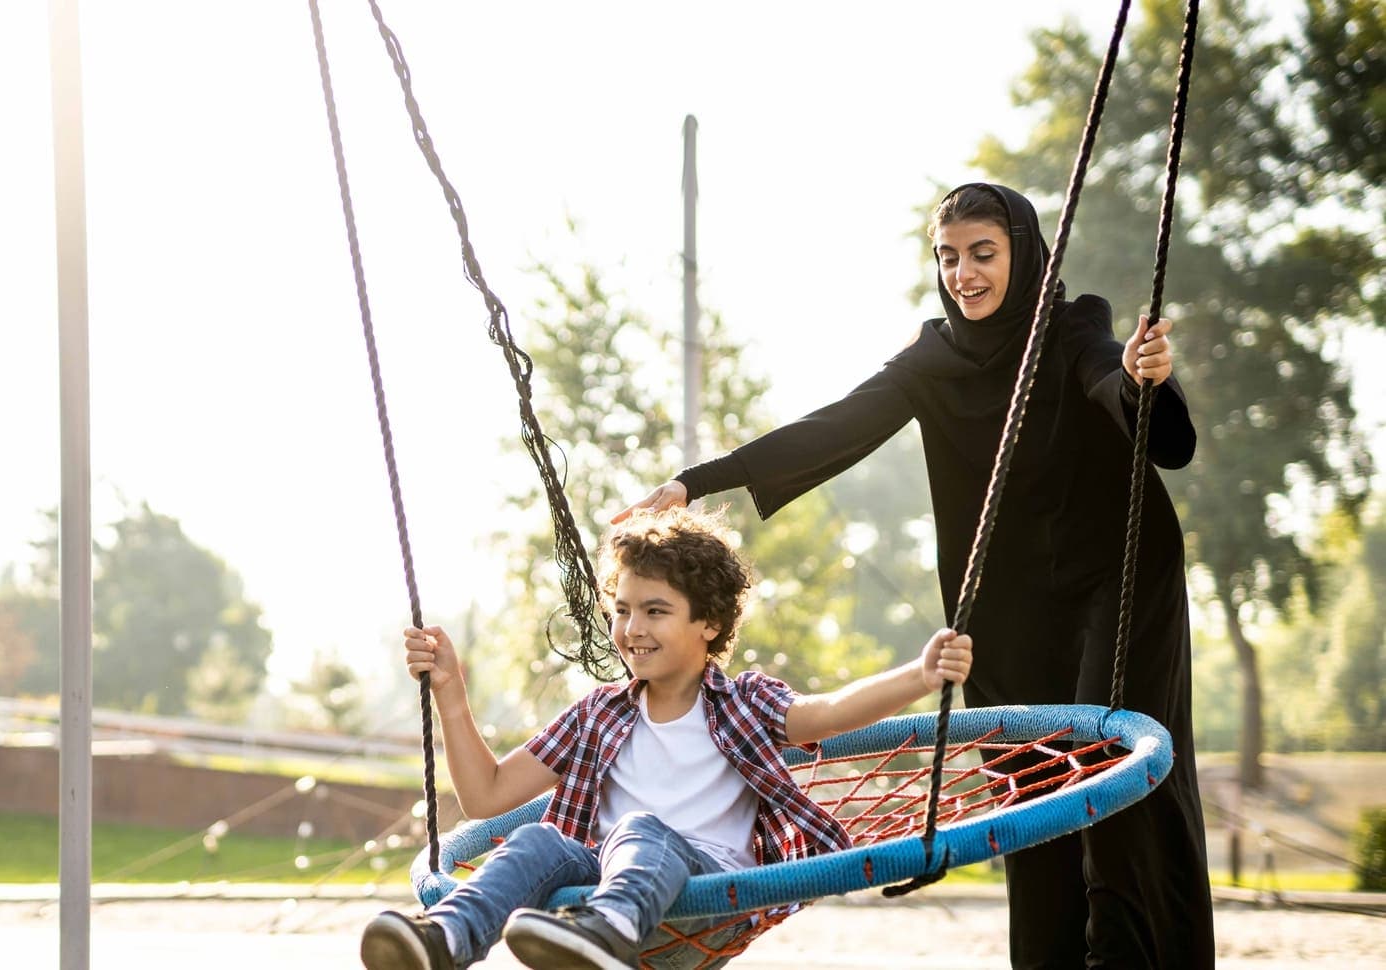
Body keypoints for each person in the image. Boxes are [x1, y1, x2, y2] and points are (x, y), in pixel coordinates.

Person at [615, 183, 1215, 968]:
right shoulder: (933, 361)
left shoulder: (1071, 328)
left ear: (1026, 255)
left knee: (1106, 766)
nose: (964, 274)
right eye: (949, 257)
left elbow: (1116, 385)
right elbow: (833, 426)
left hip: (1119, 576)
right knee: (1031, 788)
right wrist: (696, 481)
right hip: (1012, 601)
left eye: (983, 254)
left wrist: (1143, 381)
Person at [359, 505, 973, 970]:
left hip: (705, 903)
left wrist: (919, 676)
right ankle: (447, 937)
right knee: (538, 839)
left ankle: (605, 931)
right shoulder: (597, 714)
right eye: (623, 610)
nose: (632, 628)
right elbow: (486, 796)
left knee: (641, 829)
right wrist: (450, 693)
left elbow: (830, 713)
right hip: (603, 886)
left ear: (709, 622)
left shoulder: (745, 703)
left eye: (655, 611)